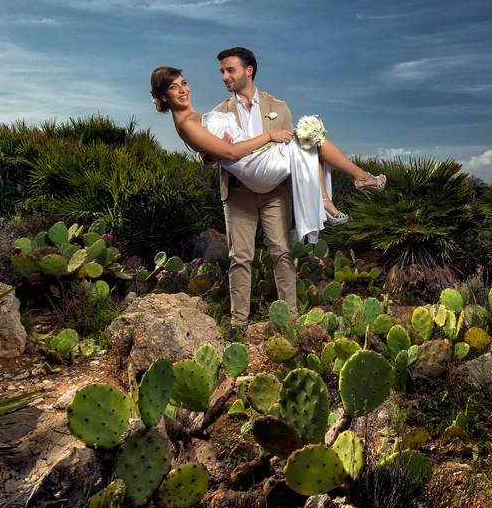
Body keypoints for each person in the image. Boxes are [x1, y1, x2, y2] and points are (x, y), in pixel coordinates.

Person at [150, 57, 384, 338]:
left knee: (282, 251)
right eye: (174, 87)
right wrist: (269, 137)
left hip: (271, 185)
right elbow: (215, 152)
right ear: (164, 96)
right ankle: (239, 324)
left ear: (248, 71)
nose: (224, 76)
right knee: (240, 257)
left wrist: (266, 138)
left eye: (229, 70)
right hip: (242, 184)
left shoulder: (277, 105)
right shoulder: (210, 113)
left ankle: (291, 319)